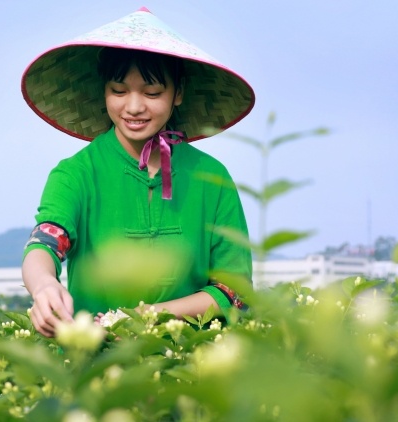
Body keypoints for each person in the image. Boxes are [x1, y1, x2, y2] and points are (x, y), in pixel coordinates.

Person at [20, 7, 255, 337]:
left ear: (179, 93)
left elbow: (234, 292)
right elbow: (45, 242)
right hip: (93, 362)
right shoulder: (76, 173)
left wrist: (144, 316)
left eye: (152, 93)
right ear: (103, 91)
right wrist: (45, 286)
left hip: (188, 366)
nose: (133, 107)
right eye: (119, 91)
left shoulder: (211, 178)